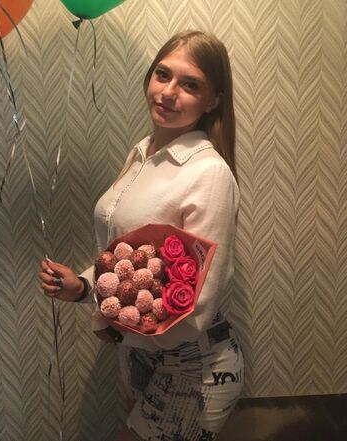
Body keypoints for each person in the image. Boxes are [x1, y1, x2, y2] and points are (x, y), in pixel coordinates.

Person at [39, 30, 243, 441]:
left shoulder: (207, 173)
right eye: (162, 74)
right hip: (138, 357)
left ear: (212, 101)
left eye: (190, 84)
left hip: (194, 365)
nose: (168, 92)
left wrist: (108, 319)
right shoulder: (141, 154)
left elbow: (200, 303)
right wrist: (83, 286)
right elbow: (128, 256)